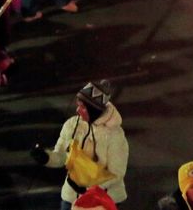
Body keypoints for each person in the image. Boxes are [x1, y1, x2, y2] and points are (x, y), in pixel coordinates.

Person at [32, 80, 128, 210]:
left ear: (94, 110)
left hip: (103, 201)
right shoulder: (71, 125)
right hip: (71, 197)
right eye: (78, 105)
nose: (78, 110)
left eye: (83, 107)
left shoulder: (114, 134)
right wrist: (46, 158)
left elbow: (117, 172)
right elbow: (62, 157)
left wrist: (88, 188)